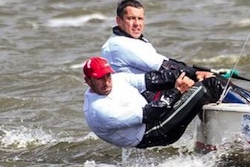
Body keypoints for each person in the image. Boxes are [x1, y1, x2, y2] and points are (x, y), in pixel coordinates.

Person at [82, 56, 223, 149]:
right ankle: (231, 132)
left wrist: (193, 74)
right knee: (210, 85)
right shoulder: (99, 111)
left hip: (152, 114)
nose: (106, 82)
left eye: (107, 76)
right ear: (88, 81)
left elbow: (152, 80)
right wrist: (177, 91)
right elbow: (149, 114)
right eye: (99, 78)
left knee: (201, 80)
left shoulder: (117, 79)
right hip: (155, 132)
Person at [101, 0, 214, 96]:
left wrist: (197, 71)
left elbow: (167, 62)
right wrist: (195, 73)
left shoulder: (134, 40)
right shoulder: (119, 44)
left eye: (140, 19)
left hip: (152, 90)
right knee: (211, 84)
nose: (136, 23)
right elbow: (164, 66)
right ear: (119, 21)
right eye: (131, 18)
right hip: (142, 100)